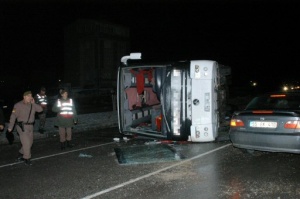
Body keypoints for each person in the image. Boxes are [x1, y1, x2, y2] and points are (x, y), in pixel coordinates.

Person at [7, 91, 43, 166]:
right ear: (24, 97)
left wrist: (34, 103)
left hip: (30, 126)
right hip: (22, 126)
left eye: (31, 96)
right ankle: (27, 158)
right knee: (26, 143)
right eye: (29, 96)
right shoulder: (18, 105)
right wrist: (10, 126)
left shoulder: (32, 105)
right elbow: (13, 116)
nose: (31, 97)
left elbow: (40, 109)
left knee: (30, 143)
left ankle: (20, 153)